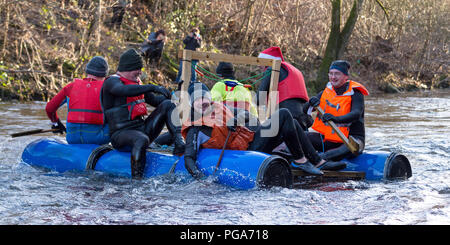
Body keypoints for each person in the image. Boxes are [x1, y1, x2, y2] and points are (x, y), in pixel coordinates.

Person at [181, 82, 346, 180]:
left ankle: (316, 160)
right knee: (284, 114)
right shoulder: (195, 129)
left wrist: (236, 120)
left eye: (205, 98)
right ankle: (301, 160)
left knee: (292, 122)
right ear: (192, 103)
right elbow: (189, 158)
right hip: (246, 155)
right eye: (198, 100)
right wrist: (201, 179)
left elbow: (247, 114)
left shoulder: (219, 107)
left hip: (252, 142)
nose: (203, 102)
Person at [101, 48, 185, 179]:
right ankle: (137, 180)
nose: (140, 72)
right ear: (128, 68)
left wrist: (171, 96)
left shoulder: (137, 84)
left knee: (168, 105)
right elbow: (122, 90)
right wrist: (152, 86)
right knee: (141, 139)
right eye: (138, 69)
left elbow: (157, 102)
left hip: (142, 129)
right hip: (120, 135)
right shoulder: (112, 82)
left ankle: (180, 144)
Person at [304, 60, 369, 161]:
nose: (333, 77)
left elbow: (356, 113)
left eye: (337, 74)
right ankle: (295, 158)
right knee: (301, 136)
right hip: (328, 140)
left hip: (352, 140)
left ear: (345, 77)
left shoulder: (356, 93)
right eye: (331, 73)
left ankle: (319, 160)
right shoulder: (325, 92)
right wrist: (310, 102)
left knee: (343, 149)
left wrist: (336, 118)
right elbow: (304, 110)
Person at [45, 56, 110, 145]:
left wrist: (56, 123)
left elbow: (49, 108)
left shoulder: (71, 87)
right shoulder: (107, 88)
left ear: (87, 71)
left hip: (72, 137)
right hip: (96, 138)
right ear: (105, 74)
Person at [257, 46, 311, 130]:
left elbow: (259, 98)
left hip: (284, 118)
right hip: (301, 119)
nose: (258, 66)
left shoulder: (272, 69)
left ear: (268, 61)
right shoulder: (293, 70)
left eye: (260, 62)